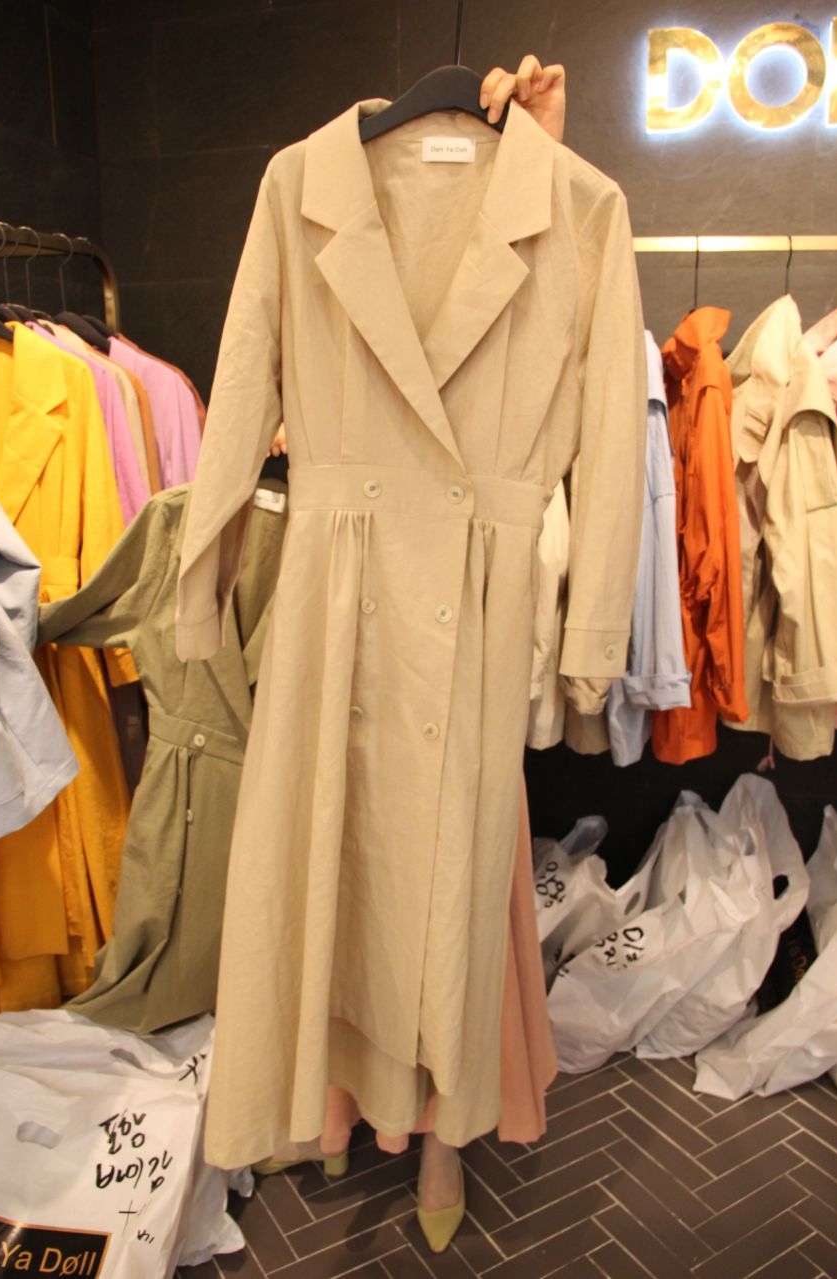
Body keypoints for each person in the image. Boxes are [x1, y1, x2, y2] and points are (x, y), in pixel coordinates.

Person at [260, 55, 568, 1250]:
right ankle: (341, 1106)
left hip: (471, 607)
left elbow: (598, 414)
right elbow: (246, 368)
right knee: (342, 864)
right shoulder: (298, 186)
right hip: (343, 602)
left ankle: (443, 1130)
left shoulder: (570, 201)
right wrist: (204, 574)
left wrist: (595, 624)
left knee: (451, 878)